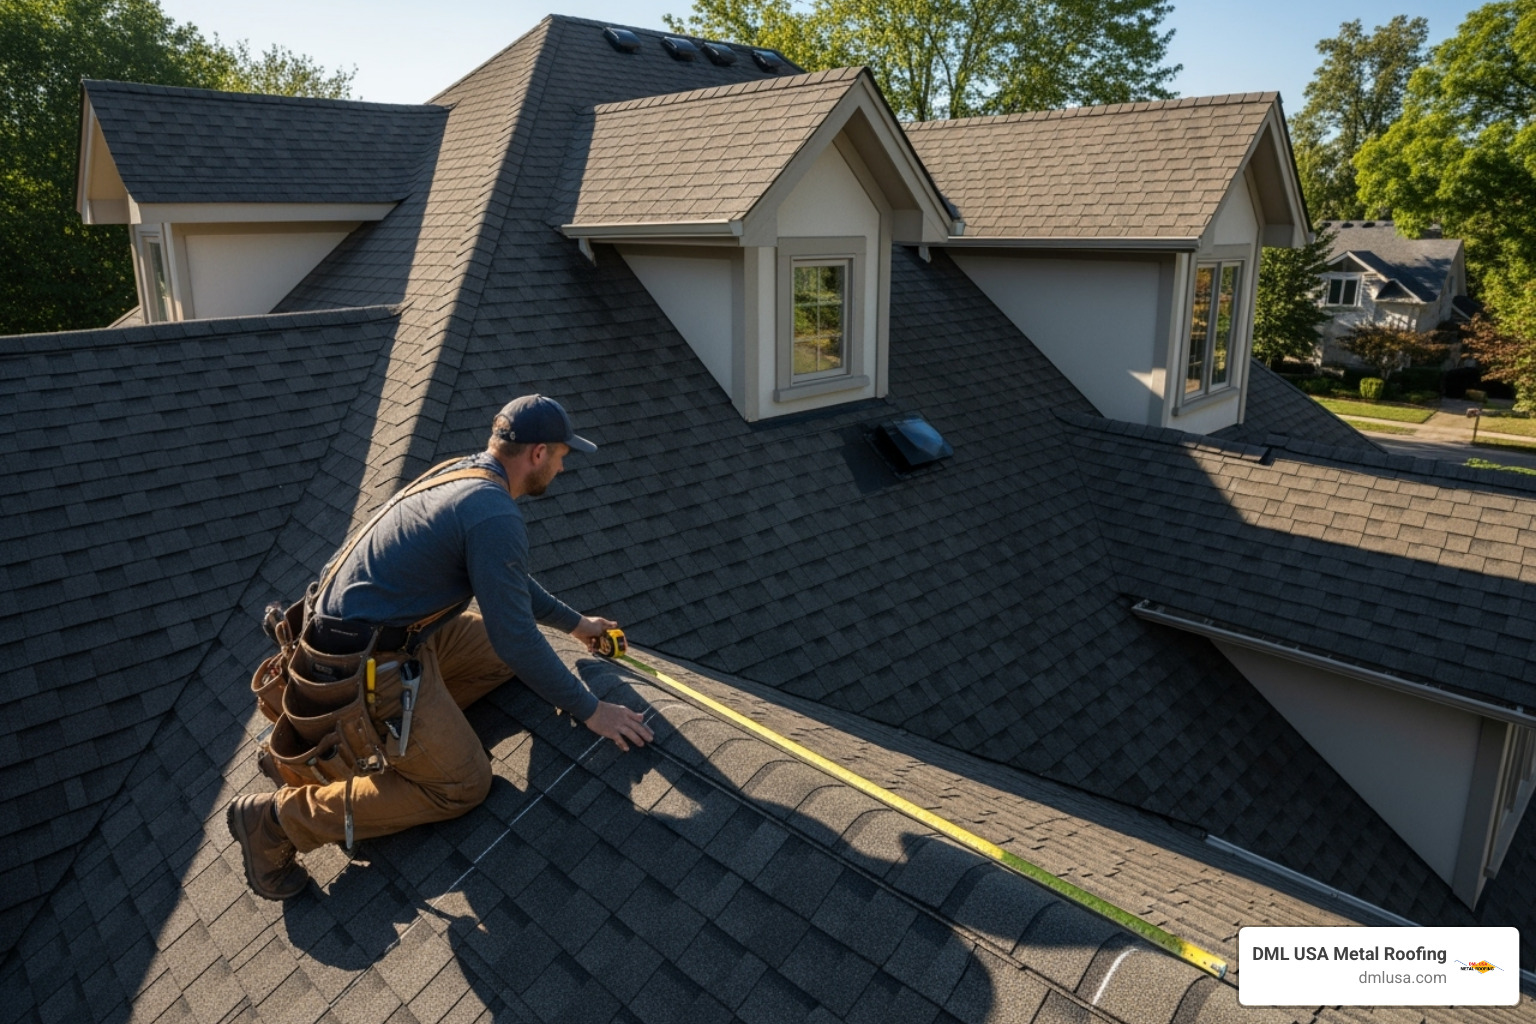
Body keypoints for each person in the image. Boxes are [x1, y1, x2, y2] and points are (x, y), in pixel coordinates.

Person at [228, 394, 653, 900]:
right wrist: (591, 710)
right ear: (537, 454)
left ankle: (304, 762)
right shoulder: (494, 514)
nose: (563, 467)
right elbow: (516, 638)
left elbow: (506, 583)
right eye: (562, 455)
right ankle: (278, 820)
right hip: (365, 669)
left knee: (502, 653)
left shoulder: (463, 474)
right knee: (462, 785)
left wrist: (576, 623)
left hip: (376, 639)